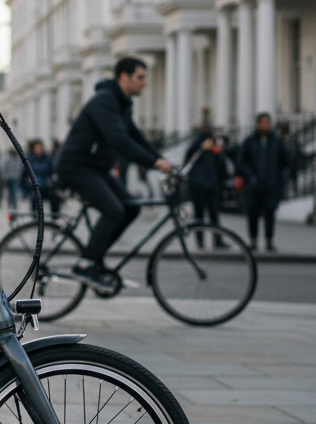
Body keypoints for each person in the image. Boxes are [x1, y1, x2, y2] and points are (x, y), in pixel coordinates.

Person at [55, 56, 173, 289]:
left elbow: (136, 137)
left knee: (131, 207)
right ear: (124, 77)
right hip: (76, 167)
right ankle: (85, 264)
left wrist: (161, 159)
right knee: (113, 210)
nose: (144, 83)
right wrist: (153, 163)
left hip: (95, 168)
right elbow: (120, 141)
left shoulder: (122, 103)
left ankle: (95, 259)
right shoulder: (104, 102)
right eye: (140, 78)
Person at [238, 113, 290, 251]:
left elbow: (285, 162)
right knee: (253, 213)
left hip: (271, 185)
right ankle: (253, 240)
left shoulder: (277, 142)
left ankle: (269, 240)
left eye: (267, 122)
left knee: (270, 212)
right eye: (262, 122)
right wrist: (250, 176)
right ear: (258, 124)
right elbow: (242, 162)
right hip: (253, 186)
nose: (265, 125)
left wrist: (280, 179)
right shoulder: (249, 141)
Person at [184, 125, 228, 247]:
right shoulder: (195, 150)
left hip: (212, 188)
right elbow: (187, 161)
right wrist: (200, 148)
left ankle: (217, 240)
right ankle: (200, 241)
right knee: (199, 216)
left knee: (214, 215)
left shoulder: (214, 153)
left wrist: (218, 152)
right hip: (198, 189)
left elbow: (221, 168)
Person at [24, 139, 61, 217]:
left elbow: (52, 171)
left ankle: (55, 216)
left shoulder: (47, 158)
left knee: (54, 196)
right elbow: (24, 174)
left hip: (45, 184)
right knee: (35, 196)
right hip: (35, 185)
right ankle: (35, 216)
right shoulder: (30, 159)